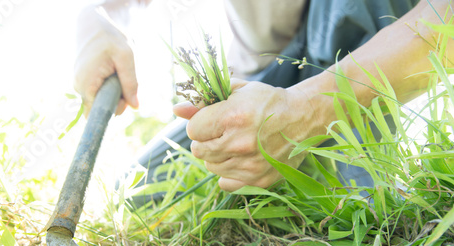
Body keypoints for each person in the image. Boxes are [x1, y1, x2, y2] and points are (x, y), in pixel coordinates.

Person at [74, 0, 453, 193]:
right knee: (141, 189)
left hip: (373, 46)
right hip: (264, 76)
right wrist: (95, 26)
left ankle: (369, 206)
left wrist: (308, 110)